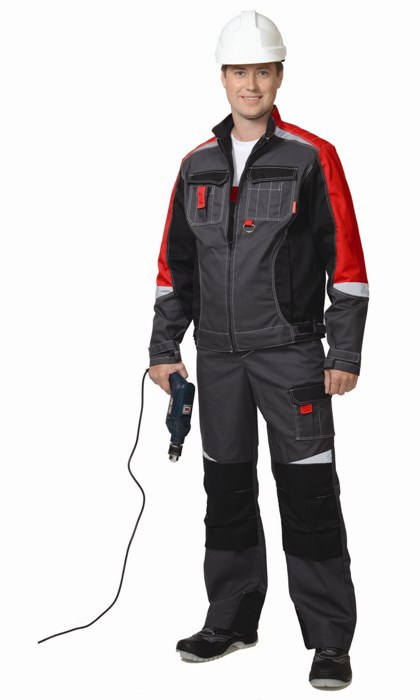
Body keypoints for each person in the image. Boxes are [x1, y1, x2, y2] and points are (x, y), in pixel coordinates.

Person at [147, 9, 369, 691]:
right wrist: (164, 347)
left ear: (279, 76)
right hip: (217, 360)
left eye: (263, 71)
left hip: (292, 356)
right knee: (226, 492)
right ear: (223, 78)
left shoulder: (312, 156)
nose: (251, 84)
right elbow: (174, 268)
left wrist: (343, 353)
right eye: (239, 71)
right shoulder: (195, 165)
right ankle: (232, 620)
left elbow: (347, 263)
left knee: (309, 494)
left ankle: (329, 641)